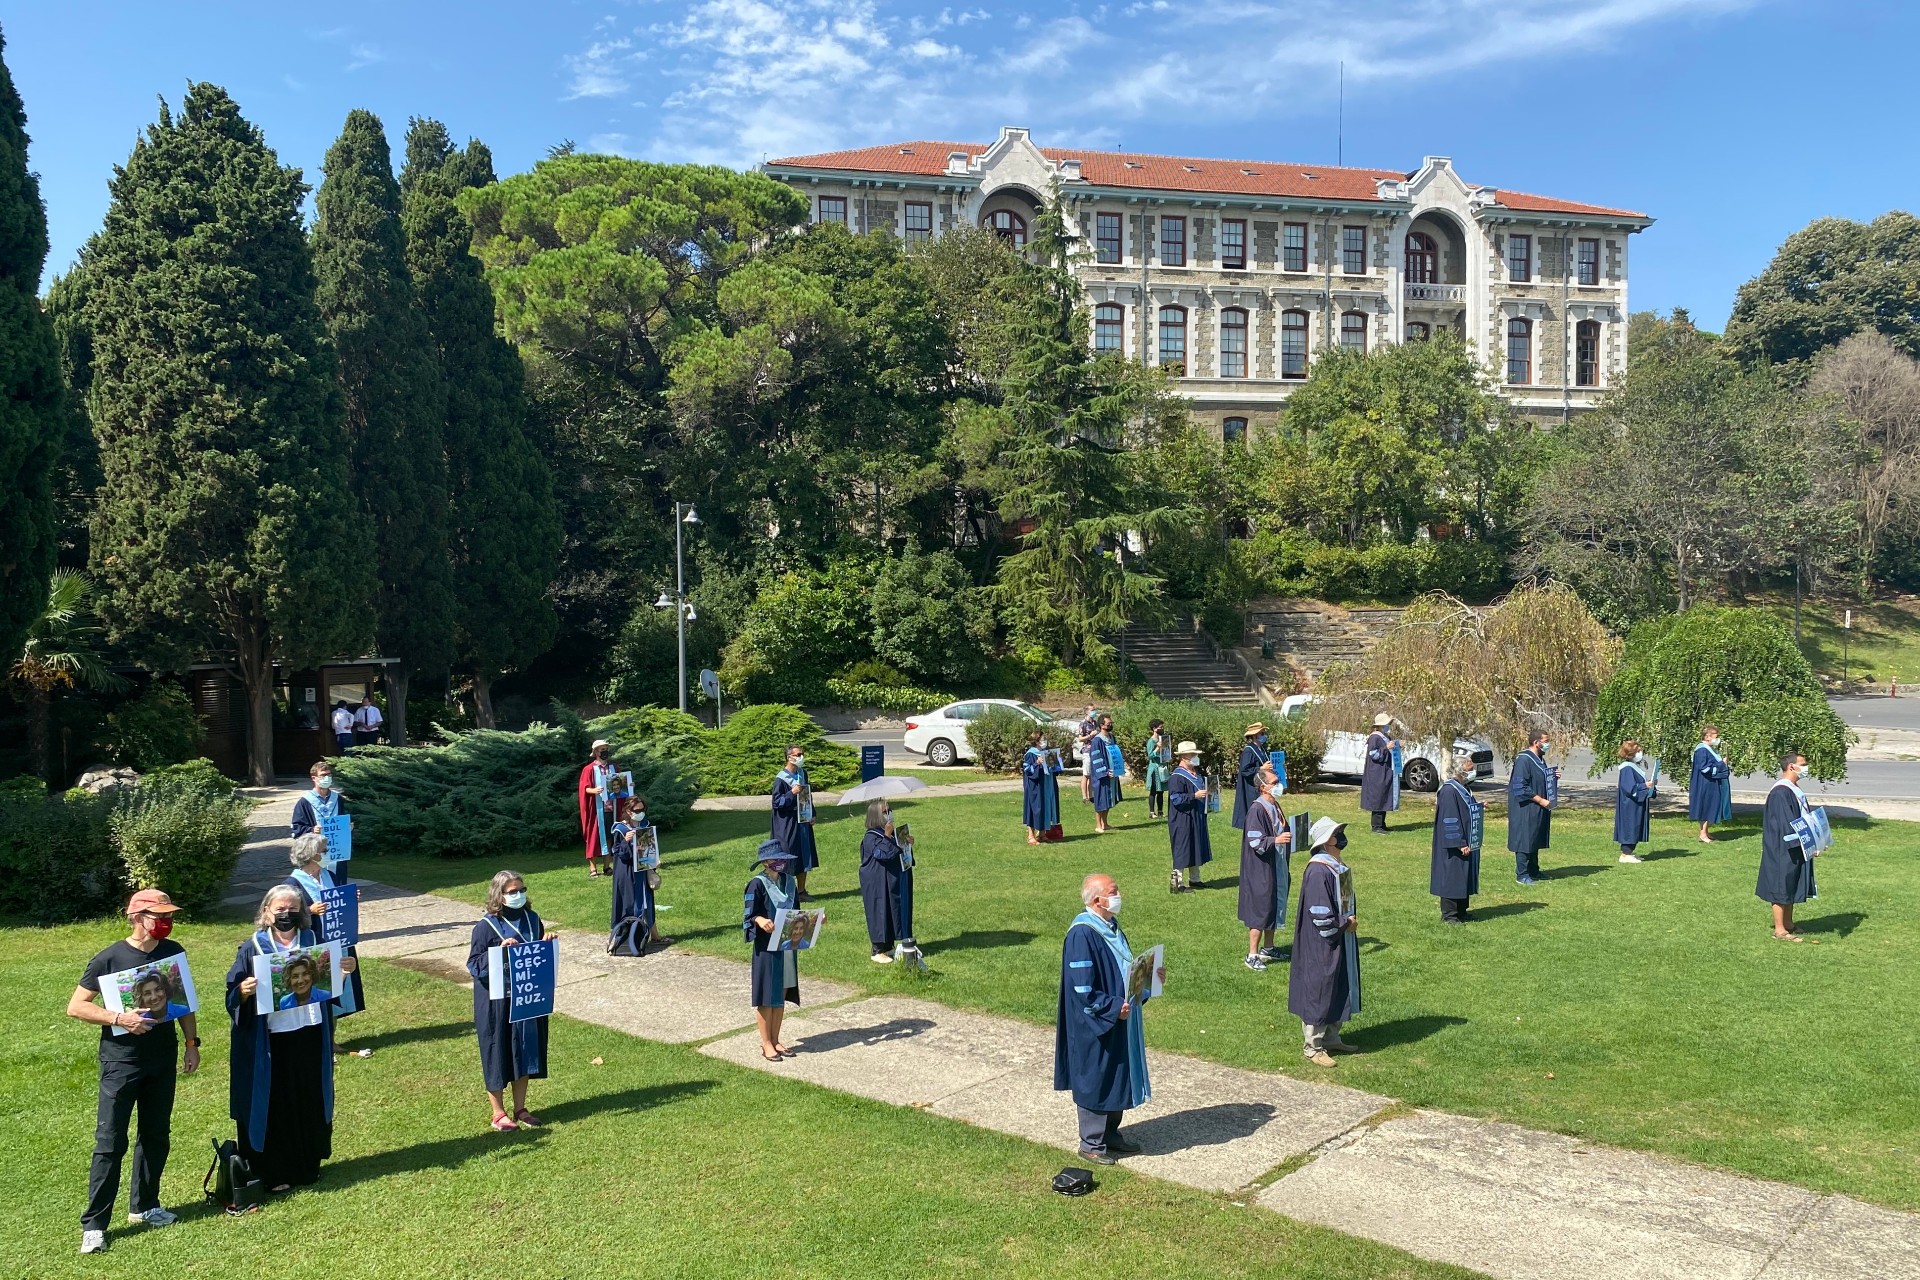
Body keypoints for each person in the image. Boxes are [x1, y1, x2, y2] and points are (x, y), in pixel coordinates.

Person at [68, 889, 198, 1254]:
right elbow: (76, 1006)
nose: (166, 922)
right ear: (136, 917)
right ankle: (94, 1226)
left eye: (169, 914)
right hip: (121, 1062)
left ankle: (145, 1206)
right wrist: (117, 1017)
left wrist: (191, 1044)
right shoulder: (108, 958)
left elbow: (183, 1001)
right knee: (110, 1142)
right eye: (159, 915)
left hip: (162, 1056)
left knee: (156, 1133)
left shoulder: (173, 952)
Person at [225, 885, 357, 1191]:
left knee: (309, 1099)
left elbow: (328, 986)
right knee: (277, 1105)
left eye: (292, 909)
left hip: (310, 1034)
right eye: (279, 909)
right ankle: (274, 1172)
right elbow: (231, 995)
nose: (286, 914)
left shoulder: (315, 941)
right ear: (266, 913)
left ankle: (307, 1165)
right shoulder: (252, 948)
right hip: (272, 1042)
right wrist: (242, 992)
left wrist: (344, 970)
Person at [1053, 873, 1151, 1165]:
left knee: (1117, 1074)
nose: (1118, 895)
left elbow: (1125, 967)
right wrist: (1111, 1007)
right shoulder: (1082, 933)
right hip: (1094, 1022)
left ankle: (1111, 1134)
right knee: (1096, 1078)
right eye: (1113, 891)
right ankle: (1091, 1143)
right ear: (1097, 900)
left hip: (1119, 1017)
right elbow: (1082, 988)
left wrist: (1146, 981)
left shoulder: (1110, 926)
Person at [467, 871, 557, 1130]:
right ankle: (498, 1113)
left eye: (521, 889)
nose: (518, 895)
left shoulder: (532, 919)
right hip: (496, 1003)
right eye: (511, 891)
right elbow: (473, 965)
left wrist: (546, 943)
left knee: (524, 1049)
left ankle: (521, 1108)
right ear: (499, 895)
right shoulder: (486, 926)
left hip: (526, 997)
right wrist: (499, 952)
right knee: (498, 1051)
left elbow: (536, 951)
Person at [284, 832, 366, 1048]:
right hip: (313, 943)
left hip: (338, 939)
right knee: (315, 991)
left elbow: (339, 898)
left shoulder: (329, 875)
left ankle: (330, 1040)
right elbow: (285, 917)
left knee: (335, 991)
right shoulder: (292, 883)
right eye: (324, 851)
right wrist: (309, 911)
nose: (327, 854)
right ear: (312, 855)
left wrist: (350, 897)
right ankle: (312, 1042)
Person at [1289, 817, 1360, 1066]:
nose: (1341, 835)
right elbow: (1320, 913)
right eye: (1337, 832)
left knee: (1338, 984)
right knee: (1319, 987)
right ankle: (1313, 1046)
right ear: (1326, 840)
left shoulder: (1335, 865)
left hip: (1341, 936)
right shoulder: (1319, 870)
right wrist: (1344, 924)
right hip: (1322, 941)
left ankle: (1331, 1038)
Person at [744, 841, 803, 1061]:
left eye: (783, 859)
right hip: (766, 947)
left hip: (787, 945)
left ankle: (776, 1039)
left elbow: (797, 912)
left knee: (781, 991)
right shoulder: (757, 884)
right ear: (767, 862)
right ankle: (766, 1042)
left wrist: (814, 920)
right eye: (777, 859)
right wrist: (760, 920)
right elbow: (748, 916)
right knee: (766, 994)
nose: (782, 863)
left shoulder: (790, 882)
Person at [1759, 752, 1820, 941]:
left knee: (1791, 882)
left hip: (1795, 845)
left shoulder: (1794, 788)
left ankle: (1789, 923)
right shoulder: (1780, 792)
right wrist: (1803, 841)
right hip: (1781, 846)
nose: (1806, 767)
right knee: (1781, 884)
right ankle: (1779, 930)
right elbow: (1786, 824)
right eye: (1803, 763)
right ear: (1791, 766)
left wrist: (1815, 839)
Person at [1237, 768, 1292, 969]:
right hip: (1260, 869)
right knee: (1260, 909)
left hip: (1276, 864)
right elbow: (1255, 841)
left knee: (1273, 906)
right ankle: (1252, 954)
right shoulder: (1257, 810)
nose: (1279, 785)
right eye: (1275, 782)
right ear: (1263, 787)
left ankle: (1268, 948)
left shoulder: (1274, 804)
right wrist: (1276, 840)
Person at [608, 797, 668, 955]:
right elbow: (618, 852)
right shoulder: (620, 829)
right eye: (637, 811)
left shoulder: (644, 825)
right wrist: (627, 841)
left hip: (642, 871)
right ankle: (624, 938)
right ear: (628, 811)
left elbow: (649, 848)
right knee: (628, 903)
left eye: (642, 810)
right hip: (627, 873)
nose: (640, 813)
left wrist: (654, 860)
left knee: (647, 901)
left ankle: (654, 935)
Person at [858, 800, 914, 963]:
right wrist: (887, 836)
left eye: (890, 810)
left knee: (892, 910)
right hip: (876, 882)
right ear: (876, 816)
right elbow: (881, 854)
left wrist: (907, 844)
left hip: (891, 880)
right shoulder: (870, 836)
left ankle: (889, 945)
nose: (889, 813)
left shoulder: (890, 832)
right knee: (880, 911)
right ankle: (878, 949)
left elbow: (896, 853)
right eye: (885, 811)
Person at [1431, 753, 1483, 924]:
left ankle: (1462, 911)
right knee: (1452, 877)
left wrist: (1478, 807)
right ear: (1460, 770)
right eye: (1470, 768)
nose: (1473, 771)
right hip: (1454, 845)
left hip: (1467, 840)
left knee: (1463, 876)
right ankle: (1449, 915)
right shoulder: (1448, 791)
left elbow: (1465, 810)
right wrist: (1459, 843)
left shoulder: (1464, 788)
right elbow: (1450, 819)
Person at [1507, 728, 1557, 885]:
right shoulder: (1524, 759)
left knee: (1534, 836)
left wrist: (1552, 777)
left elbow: (1539, 778)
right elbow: (1520, 786)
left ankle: (1534, 870)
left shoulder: (1539, 758)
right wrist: (1541, 800)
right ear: (1536, 742)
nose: (1548, 745)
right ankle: (1522, 874)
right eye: (1546, 741)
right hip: (1525, 806)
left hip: (1537, 806)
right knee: (1524, 838)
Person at [771, 744, 820, 899]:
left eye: (802, 754)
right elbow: (777, 803)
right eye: (798, 755)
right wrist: (791, 793)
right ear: (789, 757)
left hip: (803, 820)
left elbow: (807, 795)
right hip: (787, 824)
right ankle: (784, 892)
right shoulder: (780, 780)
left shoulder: (802, 773)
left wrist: (812, 813)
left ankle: (801, 891)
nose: (801, 757)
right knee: (788, 855)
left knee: (803, 855)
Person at [1166, 741, 1212, 892]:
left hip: (1196, 816)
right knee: (1182, 849)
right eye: (1193, 755)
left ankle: (1195, 879)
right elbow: (1176, 799)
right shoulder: (1177, 777)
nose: (1195, 757)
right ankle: (1176, 884)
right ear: (1184, 756)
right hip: (1182, 818)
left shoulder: (1196, 774)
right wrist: (1194, 795)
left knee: (1195, 846)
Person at [577, 739, 618, 877]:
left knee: (609, 837)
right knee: (594, 838)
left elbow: (620, 786)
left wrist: (629, 785)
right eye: (602, 749)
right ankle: (593, 868)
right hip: (596, 810)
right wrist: (594, 790)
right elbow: (584, 789)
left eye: (606, 748)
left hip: (611, 809)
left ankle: (607, 867)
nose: (605, 751)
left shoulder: (614, 768)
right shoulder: (588, 769)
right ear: (595, 752)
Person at [1615, 741, 1658, 863]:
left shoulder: (1634, 767)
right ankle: (1625, 854)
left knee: (1636, 826)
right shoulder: (1627, 768)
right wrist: (1645, 785)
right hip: (1629, 805)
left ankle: (1629, 852)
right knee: (1630, 825)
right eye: (1638, 751)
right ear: (1631, 753)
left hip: (1635, 804)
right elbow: (1629, 788)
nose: (1641, 753)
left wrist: (1649, 786)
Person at [1689, 725, 1733, 843]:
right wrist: (1721, 764)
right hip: (1704, 784)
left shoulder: (1710, 749)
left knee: (1710, 805)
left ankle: (1706, 832)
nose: (1717, 739)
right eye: (1715, 736)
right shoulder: (1701, 750)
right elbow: (1704, 768)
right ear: (1707, 736)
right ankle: (1702, 834)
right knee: (1705, 806)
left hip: (1711, 783)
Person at [1360, 713, 1399, 834]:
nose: (1388, 726)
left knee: (1384, 796)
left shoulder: (1385, 736)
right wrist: (1386, 748)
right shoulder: (1375, 738)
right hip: (1377, 773)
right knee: (1378, 797)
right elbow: (1374, 754)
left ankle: (1382, 824)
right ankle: (1376, 825)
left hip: (1384, 771)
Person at [1021, 730, 1060, 844]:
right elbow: (1027, 770)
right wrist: (1037, 763)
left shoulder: (1047, 752)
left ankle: (1042, 835)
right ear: (1036, 741)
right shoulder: (1030, 754)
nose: (1045, 741)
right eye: (1043, 739)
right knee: (1035, 809)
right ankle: (1031, 836)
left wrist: (1056, 763)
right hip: (1036, 786)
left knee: (1046, 807)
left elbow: (1054, 769)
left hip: (1048, 784)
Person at [1086, 717, 1119, 834]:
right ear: (1101, 725)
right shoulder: (1097, 740)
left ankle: (1105, 823)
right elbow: (1095, 758)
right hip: (1102, 775)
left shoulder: (1111, 737)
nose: (1110, 725)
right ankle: (1098, 825)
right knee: (1100, 799)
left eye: (1111, 723)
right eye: (1108, 723)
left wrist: (1117, 767)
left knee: (1109, 799)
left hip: (1112, 772)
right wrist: (1105, 772)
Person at [1231, 723, 1268, 830]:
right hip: (1251, 787)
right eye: (1262, 733)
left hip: (1261, 784)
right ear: (1255, 735)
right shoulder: (1249, 750)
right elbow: (1245, 770)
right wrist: (1260, 768)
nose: (1264, 735)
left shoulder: (1262, 749)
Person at [1143, 720, 1171, 820]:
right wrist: (1157, 748)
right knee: (1153, 791)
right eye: (1160, 727)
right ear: (1154, 729)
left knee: (1161, 791)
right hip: (1154, 768)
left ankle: (1160, 811)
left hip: (1162, 767)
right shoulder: (1151, 741)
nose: (1162, 729)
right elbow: (1150, 756)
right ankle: (1151, 812)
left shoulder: (1162, 739)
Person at [1076, 706, 1099, 804]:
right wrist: (1090, 735)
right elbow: (1080, 738)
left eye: (1094, 710)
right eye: (1092, 710)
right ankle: (1085, 797)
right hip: (1087, 751)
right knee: (1086, 774)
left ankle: (1091, 796)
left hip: (1095, 750)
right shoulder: (1083, 724)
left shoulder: (1095, 723)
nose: (1094, 711)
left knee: (1092, 774)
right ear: (1087, 712)